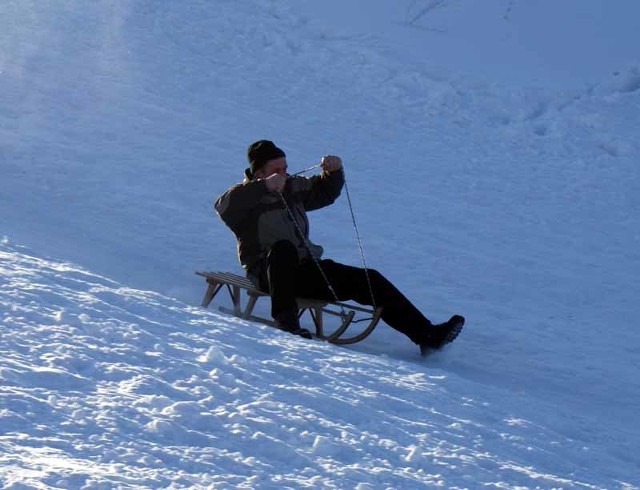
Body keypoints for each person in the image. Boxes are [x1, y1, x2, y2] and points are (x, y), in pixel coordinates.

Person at [214, 140, 464, 355]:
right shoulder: (244, 199)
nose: (284, 174)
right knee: (282, 249)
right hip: (268, 273)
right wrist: (264, 187)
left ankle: (427, 336)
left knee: (369, 279)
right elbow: (223, 206)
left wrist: (334, 171)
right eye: (276, 170)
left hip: (305, 270)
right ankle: (286, 322)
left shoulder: (292, 188)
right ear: (258, 172)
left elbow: (324, 192)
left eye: (285, 168)